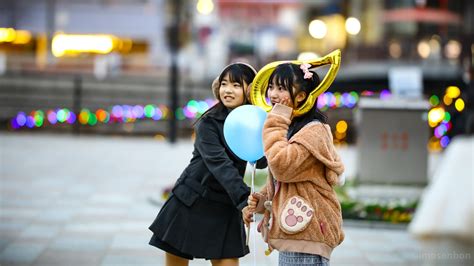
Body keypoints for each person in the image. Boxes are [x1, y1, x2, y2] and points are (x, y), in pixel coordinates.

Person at [148, 62, 267, 266]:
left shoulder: (254, 121)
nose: (228, 90)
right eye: (224, 84)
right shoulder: (208, 123)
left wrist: (269, 129)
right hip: (191, 202)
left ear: (250, 90)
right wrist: (244, 200)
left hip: (225, 207)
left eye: (236, 85)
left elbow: (262, 161)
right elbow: (219, 163)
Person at [243, 63, 345, 265]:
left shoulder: (313, 131)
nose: (272, 94)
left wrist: (276, 119)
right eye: (271, 87)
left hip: (308, 231)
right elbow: (289, 180)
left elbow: (281, 166)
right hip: (298, 232)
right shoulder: (295, 128)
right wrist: (262, 199)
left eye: (281, 88)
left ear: (301, 96)